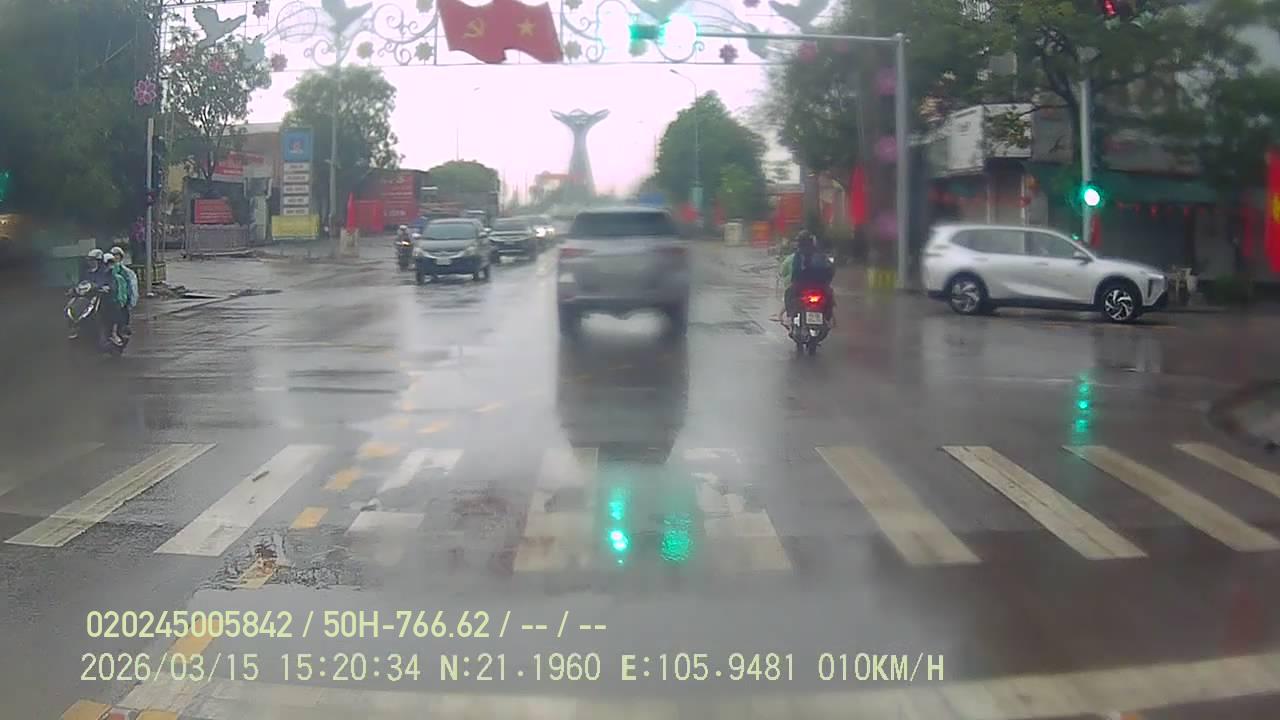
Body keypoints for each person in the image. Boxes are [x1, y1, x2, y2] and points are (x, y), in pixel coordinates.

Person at [778, 230, 835, 323]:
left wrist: (794, 281)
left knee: (788, 294)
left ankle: (790, 316)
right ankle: (828, 317)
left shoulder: (798, 254)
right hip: (820, 285)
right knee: (830, 296)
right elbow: (830, 270)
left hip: (802, 285)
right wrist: (826, 283)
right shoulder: (820, 254)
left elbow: (795, 270)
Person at [102, 253, 130, 346]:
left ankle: (114, 333)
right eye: (108, 263)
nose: (110, 265)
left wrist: (122, 301)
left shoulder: (118, 276)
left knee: (115, 313)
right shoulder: (99, 273)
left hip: (113, 300)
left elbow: (122, 290)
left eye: (111, 262)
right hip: (100, 299)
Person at [110, 246, 139, 336]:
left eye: (117, 255)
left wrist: (131, 299)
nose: (115, 257)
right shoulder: (108, 270)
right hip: (112, 299)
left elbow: (132, 286)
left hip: (123, 299)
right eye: (113, 255)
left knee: (123, 319)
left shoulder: (126, 272)